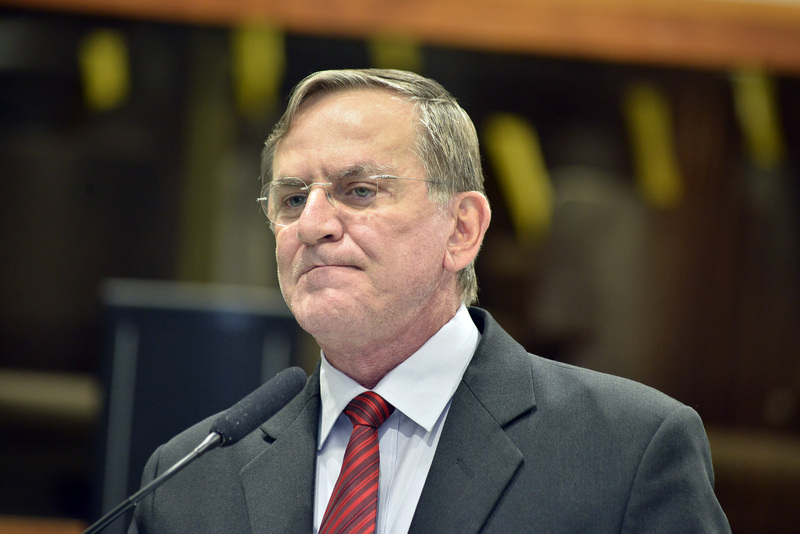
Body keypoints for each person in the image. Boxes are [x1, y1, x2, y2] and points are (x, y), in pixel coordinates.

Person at [129, 69, 730, 533]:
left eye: (359, 191)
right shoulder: (188, 480)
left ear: (462, 229)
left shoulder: (628, 453)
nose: (311, 224)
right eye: (291, 199)